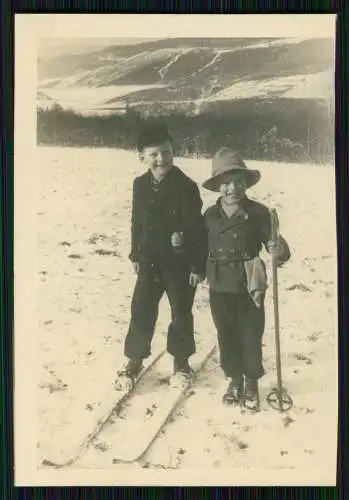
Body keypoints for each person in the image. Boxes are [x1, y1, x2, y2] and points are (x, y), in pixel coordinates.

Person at [115, 124, 208, 391]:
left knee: (181, 312)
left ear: (173, 151)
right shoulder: (139, 185)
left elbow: (197, 229)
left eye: (166, 152)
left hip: (179, 264)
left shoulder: (186, 186)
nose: (161, 159)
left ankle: (181, 362)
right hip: (149, 262)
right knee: (141, 310)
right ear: (142, 157)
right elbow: (137, 222)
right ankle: (134, 359)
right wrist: (135, 252)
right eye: (154, 154)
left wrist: (196, 264)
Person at [202, 148, 291, 411]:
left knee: (250, 332)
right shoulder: (209, 216)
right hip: (219, 283)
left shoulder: (259, 213)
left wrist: (278, 249)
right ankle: (235, 379)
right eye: (226, 183)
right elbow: (198, 246)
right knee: (226, 332)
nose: (232, 188)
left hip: (250, 282)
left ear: (246, 183)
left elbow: (279, 246)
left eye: (238, 182)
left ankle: (251, 380)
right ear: (218, 186)